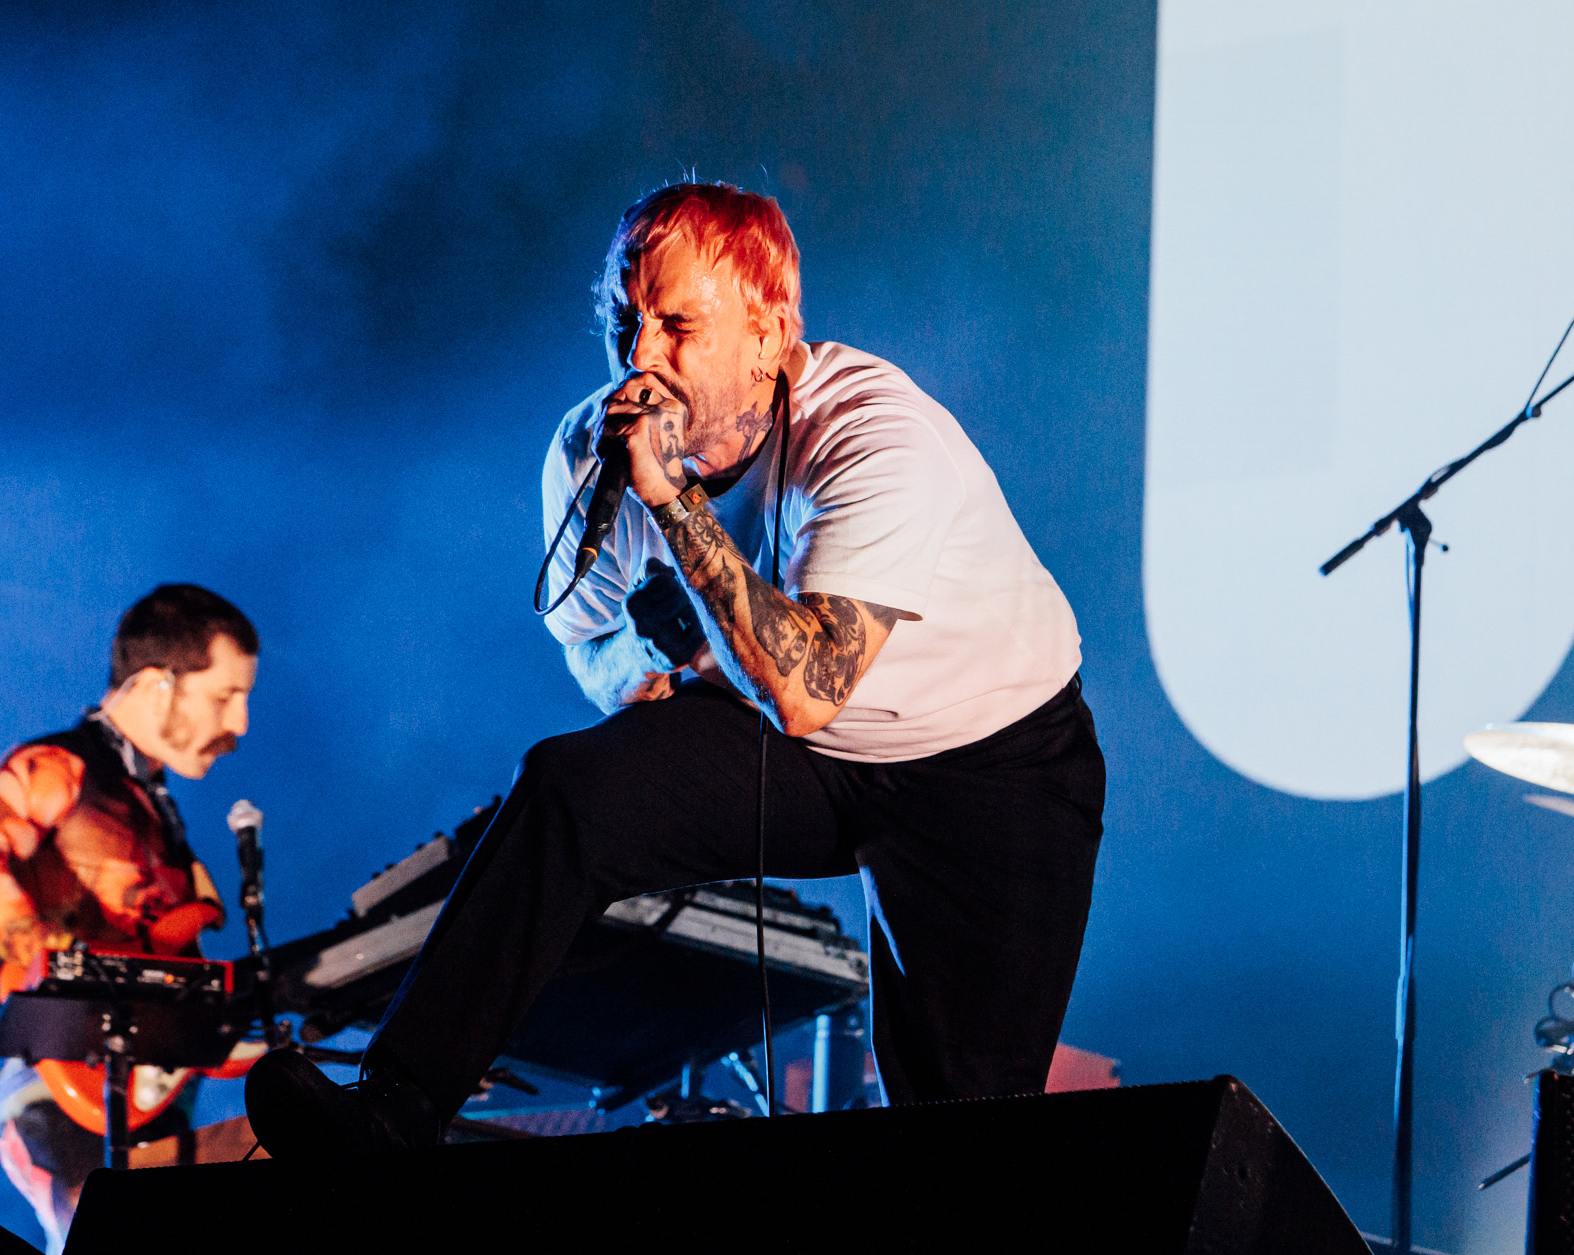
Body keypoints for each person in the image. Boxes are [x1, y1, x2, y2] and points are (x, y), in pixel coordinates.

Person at [245, 181, 1104, 1159]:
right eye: (623, 319)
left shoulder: (873, 435)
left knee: (962, 1117)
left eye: (676, 324)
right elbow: (600, 664)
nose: (640, 357)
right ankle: (391, 1113)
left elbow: (810, 687)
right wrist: (652, 644)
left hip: (988, 765)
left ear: (767, 333)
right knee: (573, 788)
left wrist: (671, 496)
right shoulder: (588, 450)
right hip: (798, 748)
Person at [0, 583, 260, 1255]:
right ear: (159, 685)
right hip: (65, 1080)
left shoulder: (155, 812)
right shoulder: (59, 767)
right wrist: (65, 966)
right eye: (224, 695)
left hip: (157, 1096)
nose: (240, 723)